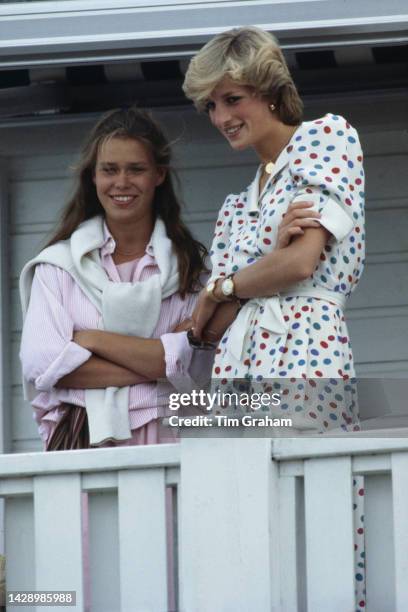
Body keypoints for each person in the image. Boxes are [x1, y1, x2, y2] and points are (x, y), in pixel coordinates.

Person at [183, 26, 366, 610]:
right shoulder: (236, 206)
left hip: (306, 352)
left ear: (268, 90)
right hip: (236, 371)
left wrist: (232, 284)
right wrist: (240, 282)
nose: (221, 116)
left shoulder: (326, 138)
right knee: (242, 524)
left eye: (232, 98)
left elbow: (301, 261)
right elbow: (204, 329)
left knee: (317, 517)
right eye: (211, 105)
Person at [19, 106, 213, 450]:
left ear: (159, 174)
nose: (122, 183)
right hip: (85, 438)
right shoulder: (57, 268)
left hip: (173, 440)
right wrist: (162, 362)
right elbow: (43, 365)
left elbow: (199, 367)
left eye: (136, 169)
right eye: (109, 170)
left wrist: (92, 341)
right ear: (92, 176)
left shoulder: (191, 272)